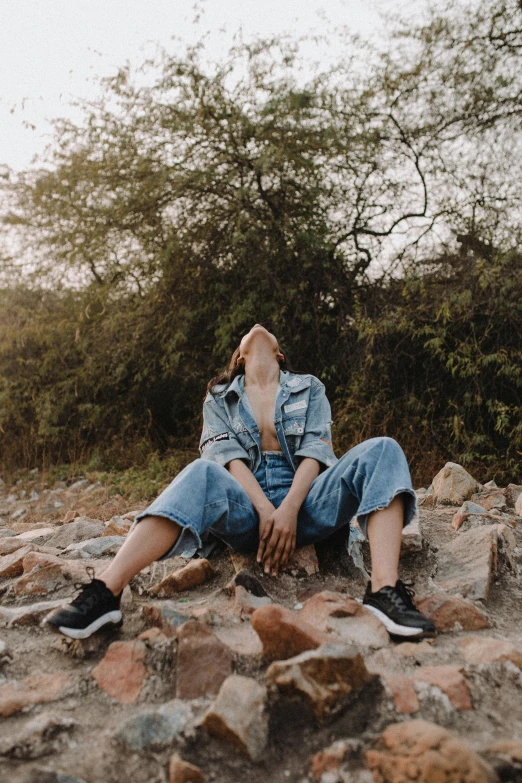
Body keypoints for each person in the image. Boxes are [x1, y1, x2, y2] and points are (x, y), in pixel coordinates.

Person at [44, 324, 435, 640]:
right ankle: (105, 593)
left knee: (383, 448)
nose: (257, 327)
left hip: (308, 501)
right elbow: (225, 459)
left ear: (279, 354)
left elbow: (316, 452)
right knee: (201, 470)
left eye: (267, 332)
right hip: (247, 507)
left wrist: (289, 509)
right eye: (247, 334)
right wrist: (266, 508)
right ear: (239, 356)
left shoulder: (310, 387)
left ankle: (384, 591)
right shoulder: (218, 397)